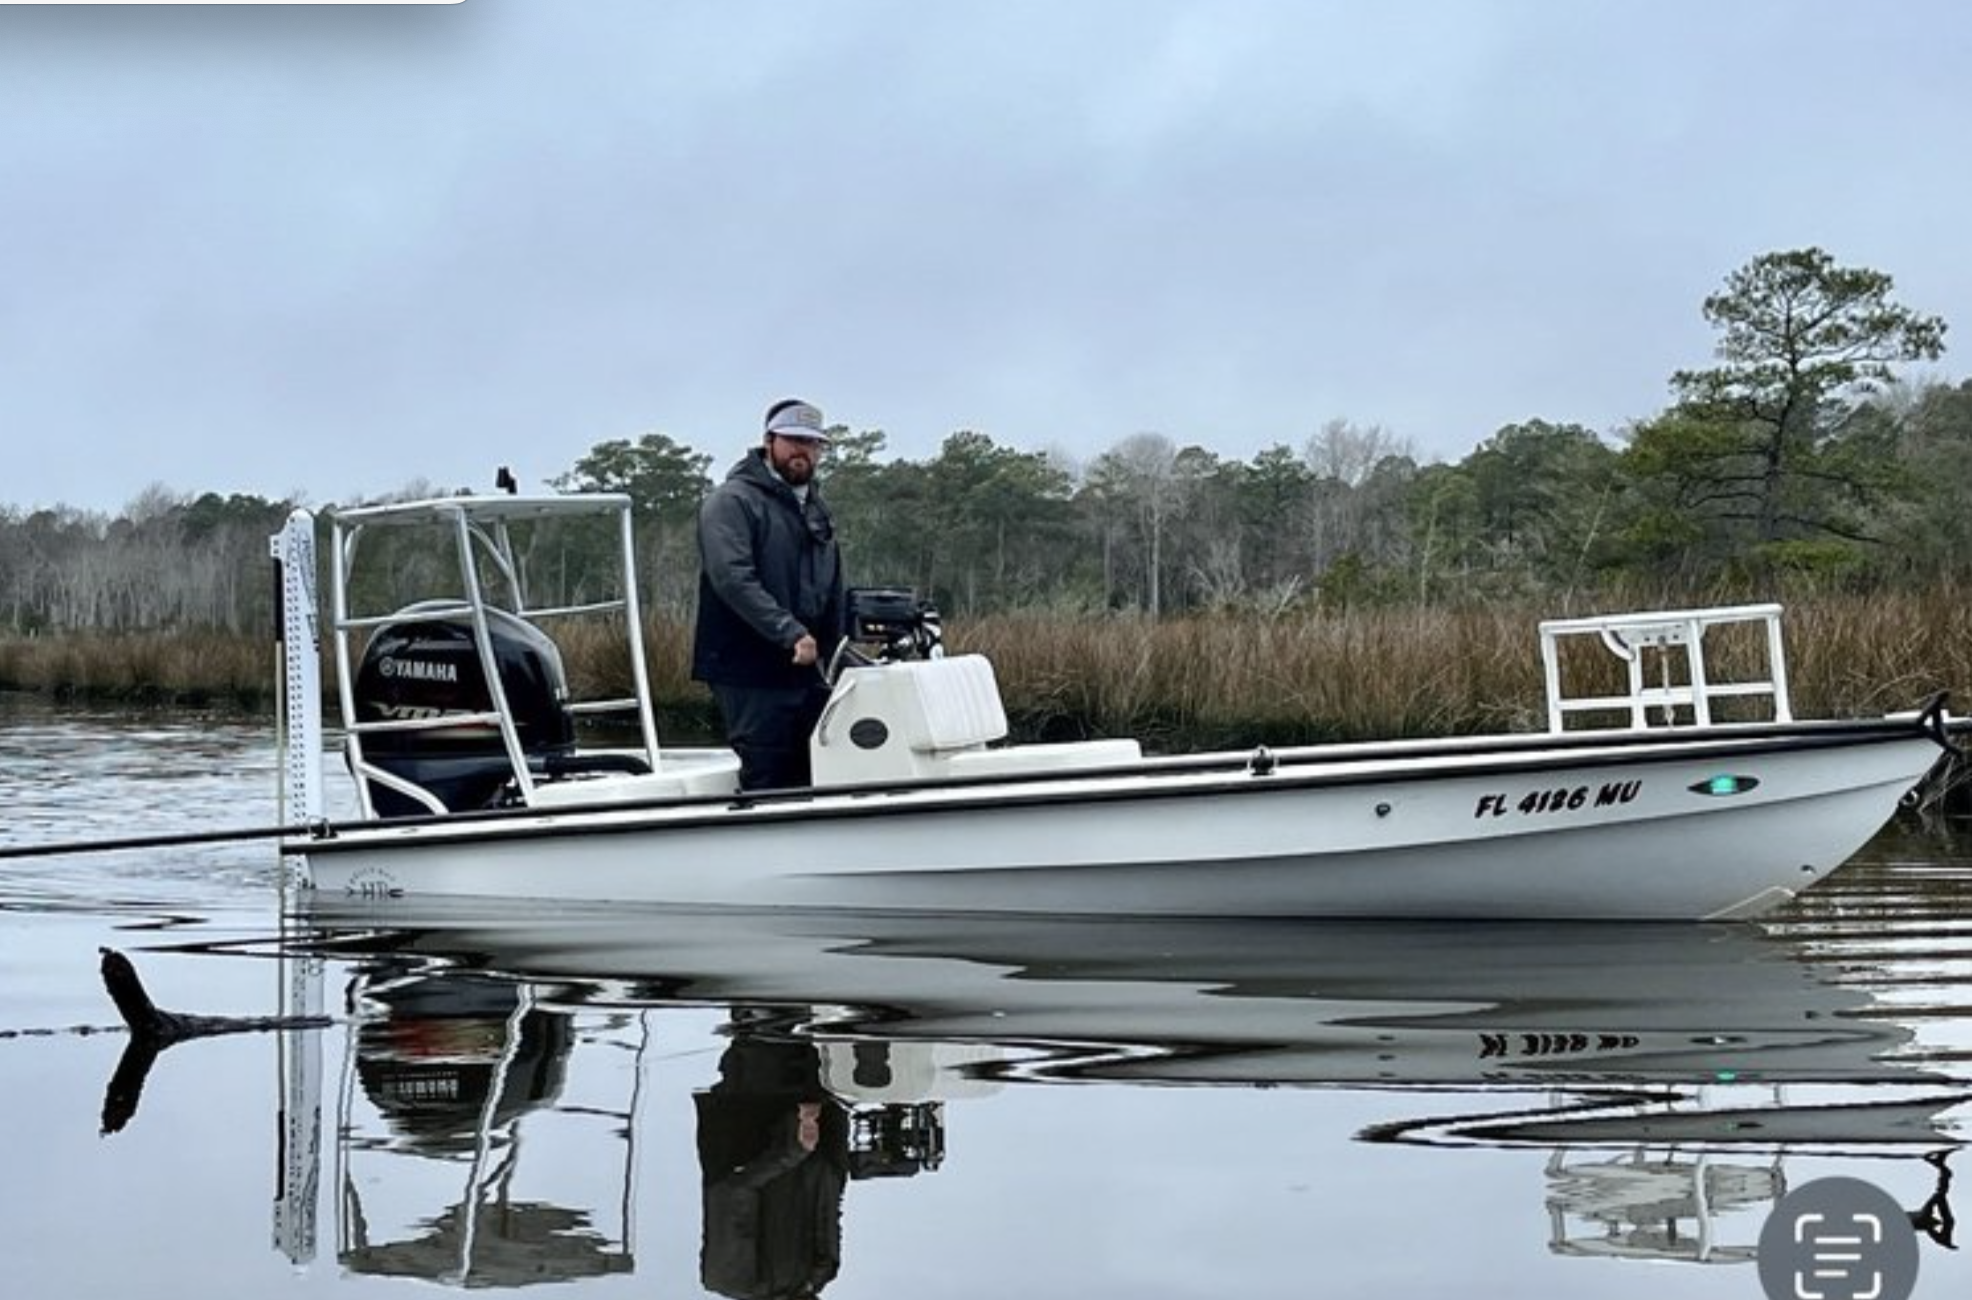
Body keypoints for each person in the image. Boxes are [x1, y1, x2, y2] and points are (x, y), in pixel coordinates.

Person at [692, 398, 846, 790]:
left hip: (805, 670)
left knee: (817, 769)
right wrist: (790, 632)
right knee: (768, 768)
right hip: (748, 667)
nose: (803, 451)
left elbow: (831, 584)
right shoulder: (731, 501)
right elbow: (732, 578)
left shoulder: (816, 508)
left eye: (813, 444)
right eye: (793, 440)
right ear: (768, 441)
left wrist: (843, 642)